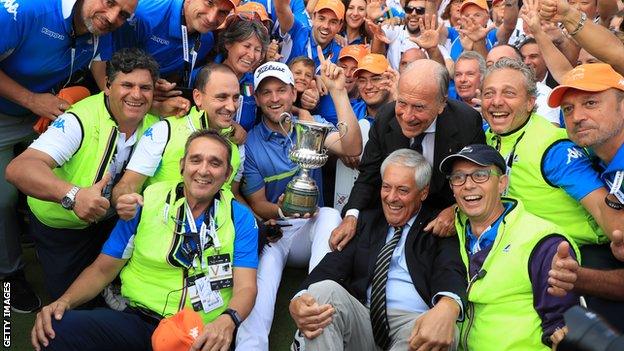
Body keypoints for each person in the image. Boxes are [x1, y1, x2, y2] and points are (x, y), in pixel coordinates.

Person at [30, 129, 259, 351]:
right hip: (140, 321)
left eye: (215, 163)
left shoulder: (240, 217)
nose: (204, 170)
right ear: (182, 165)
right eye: (196, 160)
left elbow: (246, 287)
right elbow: (102, 269)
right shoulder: (147, 202)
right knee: (55, 329)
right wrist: (65, 301)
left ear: (228, 174)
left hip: (199, 333)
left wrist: (227, 321)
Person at [0, 0, 138, 313]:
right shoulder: (27, 11)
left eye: (124, 14)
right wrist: (32, 100)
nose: (114, 17)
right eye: (110, 2)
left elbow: (106, 80)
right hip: (8, 112)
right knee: (3, 198)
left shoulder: (103, 26)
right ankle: (10, 274)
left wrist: (139, 98)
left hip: (46, 110)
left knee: (73, 163)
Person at [5, 48, 160, 303]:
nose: (136, 94)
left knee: (112, 295)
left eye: (145, 88)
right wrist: (73, 196)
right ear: (108, 86)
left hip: (111, 223)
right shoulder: (80, 120)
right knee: (69, 306)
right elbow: (19, 169)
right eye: (127, 85)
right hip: (61, 227)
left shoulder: (155, 124)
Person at [236, 56, 362, 350]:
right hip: (277, 229)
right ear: (256, 97)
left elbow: (352, 146)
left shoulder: (310, 124)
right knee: (261, 277)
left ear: (293, 92)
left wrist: (339, 92)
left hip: (312, 228)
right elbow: (256, 203)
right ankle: (250, 346)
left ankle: (313, 310)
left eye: (281, 90)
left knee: (330, 214)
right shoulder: (251, 143)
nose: (274, 98)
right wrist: (281, 210)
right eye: (266, 92)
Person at [290, 149, 465, 351]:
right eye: (386, 187)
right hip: (363, 318)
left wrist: (448, 304)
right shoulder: (367, 221)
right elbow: (331, 266)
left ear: (423, 192)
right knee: (321, 291)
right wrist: (298, 300)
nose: (391, 198)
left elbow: (451, 270)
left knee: (440, 333)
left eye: (402, 190)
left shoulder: (439, 225)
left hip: (413, 325)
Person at [332, 59, 484, 251]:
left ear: (441, 103)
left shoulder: (466, 122)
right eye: (402, 103)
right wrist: (351, 216)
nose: (407, 116)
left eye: (419, 107)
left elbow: (476, 181)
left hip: (441, 220)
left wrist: (457, 210)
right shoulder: (385, 118)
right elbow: (368, 176)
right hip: (391, 214)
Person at [439, 144, 580, 350]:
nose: (468, 185)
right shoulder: (449, 232)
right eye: (458, 177)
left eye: (480, 175)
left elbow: (561, 327)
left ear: (502, 183)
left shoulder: (542, 240)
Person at [481, 58, 621, 246]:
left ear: (530, 102)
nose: (496, 101)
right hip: (512, 248)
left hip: (574, 253)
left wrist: (618, 234)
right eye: (489, 93)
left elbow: (599, 205)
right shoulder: (483, 135)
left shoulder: (556, 148)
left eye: (509, 93)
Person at [546, 63, 624, 331]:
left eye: (590, 103)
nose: (577, 116)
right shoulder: (595, 157)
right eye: (568, 109)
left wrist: (577, 278)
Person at [112, 63, 248, 217]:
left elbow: (232, 195)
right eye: (221, 97)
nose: (231, 107)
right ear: (198, 97)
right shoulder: (164, 131)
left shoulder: (237, 143)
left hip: (211, 237)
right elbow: (127, 185)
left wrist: (260, 222)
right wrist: (123, 201)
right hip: (160, 232)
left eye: (235, 98)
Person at [96, 0, 238, 92]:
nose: (211, 18)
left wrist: (164, 87)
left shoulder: (206, 40)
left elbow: (175, 74)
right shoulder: (145, 14)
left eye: (223, 12)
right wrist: (108, 94)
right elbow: (100, 59)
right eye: (209, 2)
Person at [214, 16, 270, 131]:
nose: (251, 55)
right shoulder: (204, 75)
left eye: (257, 50)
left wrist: (300, 111)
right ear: (228, 44)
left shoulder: (253, 83)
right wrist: (233, 128)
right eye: (246, 46)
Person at [485, 44, 562, 126]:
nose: (496, 70)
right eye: (490, 65)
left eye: (503, 63)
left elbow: (549, 133)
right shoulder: (483, 95)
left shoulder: (542, 93)